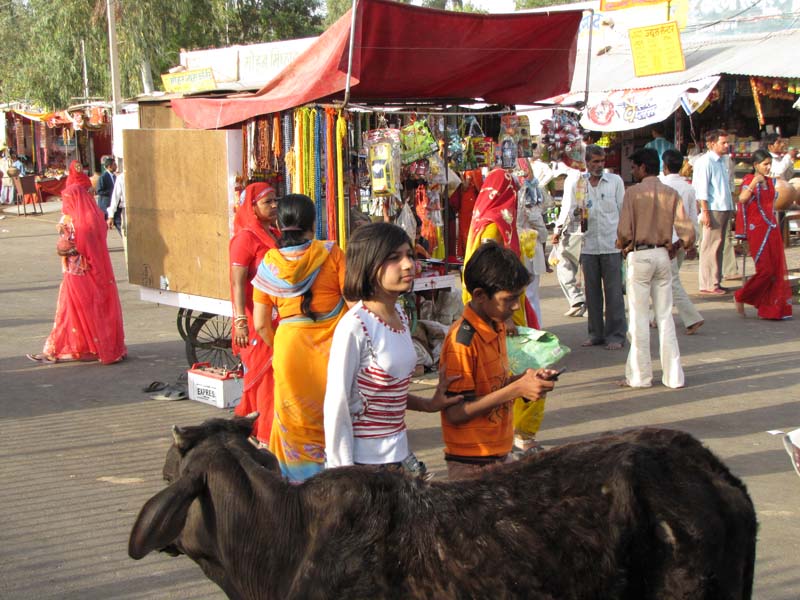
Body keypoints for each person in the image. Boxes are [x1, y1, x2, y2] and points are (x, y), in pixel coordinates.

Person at [324, 222, 460, 474]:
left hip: (400, 456)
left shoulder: (399, 313)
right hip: (366, 466)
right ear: (369, 263)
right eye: (394, 258)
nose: (409, 264)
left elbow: (384, 392)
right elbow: (337, 405)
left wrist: (429, 404)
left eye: (409, 255)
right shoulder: (354, 327)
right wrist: (342, 475)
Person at [439, 242, 558, 480]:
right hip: (472, 463)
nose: (516, 307)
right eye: (509, 299)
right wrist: (515, 389)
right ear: (480, 295)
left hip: (498, 452)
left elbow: (492, 386)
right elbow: (455, 412)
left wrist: (525, 380)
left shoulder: (496, 325)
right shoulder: (462, 341)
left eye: (519, 298)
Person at [252, 194, 346, 483]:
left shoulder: (270, 262)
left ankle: (296, 486)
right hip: (333, 349)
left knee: (294, 421)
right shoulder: (331, 253)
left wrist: (280, 345)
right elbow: (355, 304)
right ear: (312, 223)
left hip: (289, 348)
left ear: (279, 224)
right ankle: (336, 480)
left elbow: (260, 325)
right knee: (334, 416)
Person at [461, 167, 543, 453]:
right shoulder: (493, 224)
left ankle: (510, 432)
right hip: (499, 312)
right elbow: (489, 275)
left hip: (494, 310)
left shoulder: (483, 220)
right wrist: (504, 317)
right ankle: (521, 434)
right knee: (532, 371)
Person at [617, 149, 694, 389]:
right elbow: (688, 231)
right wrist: (678, 245)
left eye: (634, 167)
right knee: (665, 317)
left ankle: (640, 377)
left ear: (642, 168)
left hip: (640, 255)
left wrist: (623, 247)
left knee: (638, 320)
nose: (633, 171)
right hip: (663, 254)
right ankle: (674, 376)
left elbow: (624, 232)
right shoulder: (671, 193)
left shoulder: (633, 193)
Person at [26, 184, 126, 364]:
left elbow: (82, 247)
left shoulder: (82, 221)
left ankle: (59, 349)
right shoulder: (90, 216)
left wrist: (67, 248)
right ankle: (93, 346)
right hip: (87, 272)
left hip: (80, 273)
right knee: (84, 310)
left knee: (73, 310)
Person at [229, 182, 280, 445]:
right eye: (267, 202)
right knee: (263, 380)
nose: (274, 206)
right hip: (254, 320)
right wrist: (240, 322)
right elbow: (237, 283)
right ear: (252, 207)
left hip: (277, 317)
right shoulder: (245, 239)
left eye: (275, 201)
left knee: (275, 379)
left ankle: (256, 429)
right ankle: (265, 434)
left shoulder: (274, 234)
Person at [733, 150, 793, 320]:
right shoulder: (748, 180)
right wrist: (754, 183)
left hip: (771, 229)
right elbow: (742, 199)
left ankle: (771, 308)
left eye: (769, 164)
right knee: (765, 270)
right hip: (757, 230)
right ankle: (741, 295)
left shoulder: (770, 182)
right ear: (755, 165)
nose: (768, 167)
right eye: (765, 164)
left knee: (775, 271)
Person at [578, 145, 626, 350]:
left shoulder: (615, 181)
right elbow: (573, 209)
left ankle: (616, 335)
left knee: (614, 293)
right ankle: (595, 333)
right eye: (595, 162)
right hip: (588, 245)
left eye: (601, 161)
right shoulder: (580, 184)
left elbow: (624, 210)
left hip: (611, 244)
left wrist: (625, 240)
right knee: (592, 293)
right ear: (587, 162)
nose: (599, 165)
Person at [659, 149, 705, 335]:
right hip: (681, 238)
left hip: (665, 240)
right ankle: (657, 316)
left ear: (665, 165)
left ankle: (692, 317)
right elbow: (693, 217)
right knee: (666, 279)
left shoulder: (660, 184)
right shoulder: (688, 187)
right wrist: (691, 241)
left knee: (670, 281)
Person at [692, 129, 734, 295]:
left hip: (723, 206)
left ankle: (716, 280)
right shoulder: (705, 162)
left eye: (726, 142)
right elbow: (701, 189)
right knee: (710, 246)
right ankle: (708, 283)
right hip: (713, 207)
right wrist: (705, 211)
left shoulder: (723, 161)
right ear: (711, 144)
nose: (726, 145)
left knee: (719, 245)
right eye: (723, 142)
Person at [552, 162, 586, 317]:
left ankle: (577, 300)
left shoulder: (572, 179)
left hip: (574, 230)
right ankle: (587, 302)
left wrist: (558, 229)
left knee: (564, 266)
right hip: (590, 230)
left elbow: (568, 208)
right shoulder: (588, 177)